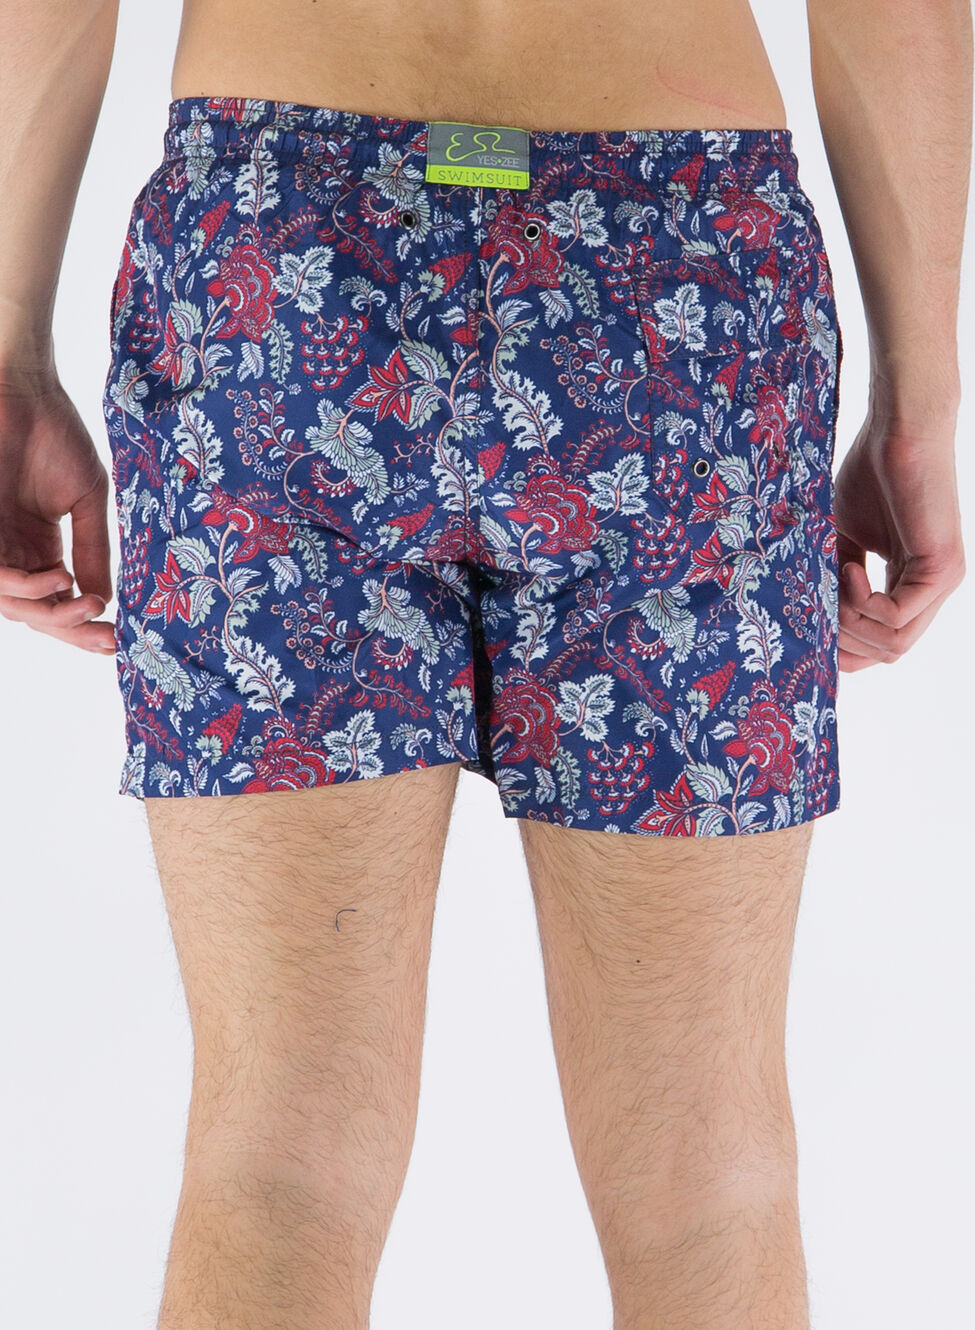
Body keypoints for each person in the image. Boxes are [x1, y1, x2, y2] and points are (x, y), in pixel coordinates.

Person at [0, 1, 969, 1326]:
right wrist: (920, 403)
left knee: (272, 1161)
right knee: (707, 1179)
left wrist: (8, 347)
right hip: (675, 277)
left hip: (278, 260)